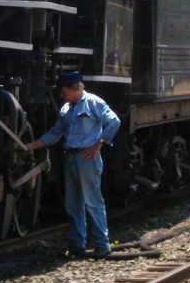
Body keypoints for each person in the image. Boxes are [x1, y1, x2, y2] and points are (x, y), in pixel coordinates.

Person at [27, 72, 121, 258]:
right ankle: (77, 244)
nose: (62, 96)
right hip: (70, 157)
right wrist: (32, 145)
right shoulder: (66, 109)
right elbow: (56, 133)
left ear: (75, 87)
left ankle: (102, 245)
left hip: (87, 158)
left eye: (63, 92)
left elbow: (114, 122)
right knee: (73, 204)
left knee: (93, 202)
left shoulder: (94, 103)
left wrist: (99, 144)